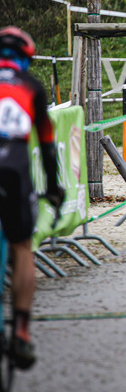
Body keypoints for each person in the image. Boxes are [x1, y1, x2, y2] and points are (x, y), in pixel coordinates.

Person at [0, 27, 65, 370]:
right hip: (13, 166)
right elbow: (48, 146)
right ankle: (22, 331)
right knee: (22, 247)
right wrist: (53, 188)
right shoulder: (31, 86)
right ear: (26, 58)